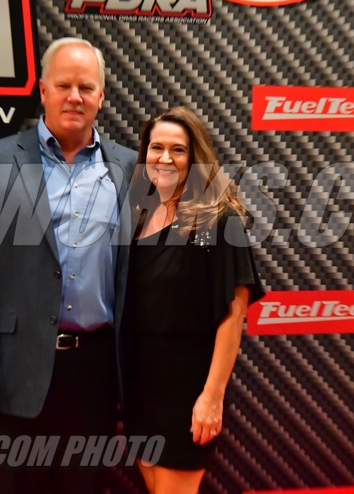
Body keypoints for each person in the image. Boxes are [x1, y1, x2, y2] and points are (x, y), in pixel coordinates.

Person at [0, 37, 137, 494]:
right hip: (14, 368)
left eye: (86, 88)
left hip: (95, 373)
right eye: (64, 85)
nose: (75, 97)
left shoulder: (129, 167)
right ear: (43, 90)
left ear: (101, 96)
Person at [120, 107, 265, 494]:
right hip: (139, 388)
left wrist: (212, 397)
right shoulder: (137, 217)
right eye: (156, 148)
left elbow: (233, 315)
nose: (165, 158)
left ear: (195, 157)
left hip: (186, 391)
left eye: (178, 150)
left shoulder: (219, 220)